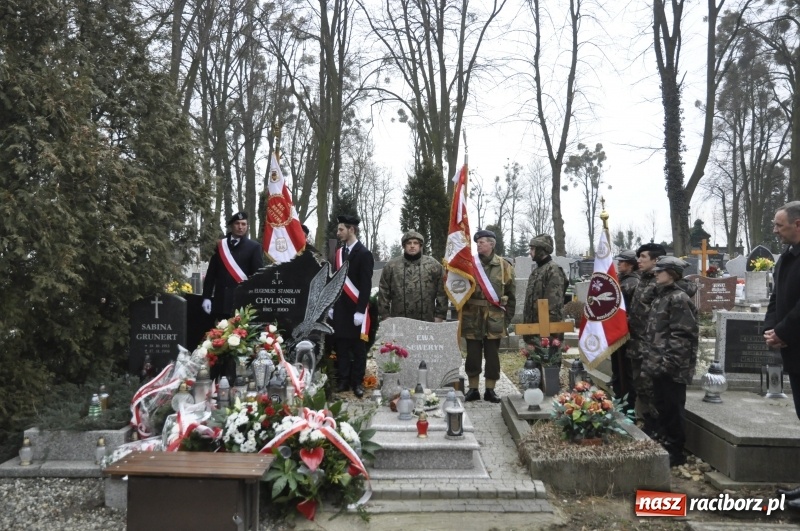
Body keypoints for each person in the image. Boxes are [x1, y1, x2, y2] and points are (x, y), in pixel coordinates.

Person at [641, 256, 698, 467]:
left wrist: (669, 363)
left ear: (672, 273)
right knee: (662, 406)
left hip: (672, 366)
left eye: (660, 270)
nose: (655, 273)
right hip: (659, 363)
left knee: (673, 409)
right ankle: (665, 443)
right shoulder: (663, 296)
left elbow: (682, 334)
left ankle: (675, 451)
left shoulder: (679, 298)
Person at [767, 202, 800, 505]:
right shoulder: (786, 258)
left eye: (780, 225)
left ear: (798, 224)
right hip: (794, 350)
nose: (775, 231)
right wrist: (770, 329)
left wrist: (783, 332)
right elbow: (776, 296)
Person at [460, 230, 515, 403]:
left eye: (483, 242)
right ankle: (473, 389)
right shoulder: (469, 264)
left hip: (494, 318)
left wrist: (507, 319)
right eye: (478, 242)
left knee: (492, 356)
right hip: (472, 316)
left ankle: (490, 390)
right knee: (472, 355)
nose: (479, 244)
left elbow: (511, 294)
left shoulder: (504, 266)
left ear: (492, 244)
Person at [331, 214, 374, 398]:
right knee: (341, 346)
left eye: (341, 229)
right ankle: (343, 381)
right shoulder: (339, 253)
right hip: (340, 308)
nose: (338, 232)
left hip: (356, 308)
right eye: (338, 229)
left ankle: (357, 382)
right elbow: (334, 281)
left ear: (352, 230)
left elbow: (365, 285)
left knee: (358, 349)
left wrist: (360, 311)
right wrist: (331, 305)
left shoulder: (364, 254)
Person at [627, 242, 666, 436]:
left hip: (651, 346)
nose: (638, 260)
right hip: (636, 343)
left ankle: (658, 426)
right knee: (640, 386)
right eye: (638, 257)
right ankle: (648, 422)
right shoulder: (642, 279)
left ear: (656, 260)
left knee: (652, 388)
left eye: (643, 257)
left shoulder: (659, 283)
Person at [201, 211, 264, 321]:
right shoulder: (221, 245)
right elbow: (211, 275)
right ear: (231, 225)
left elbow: (257, 277)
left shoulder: (254, 247)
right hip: (220, 303)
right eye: (237, 224)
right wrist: (206, 297)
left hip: (241, 303)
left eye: (243, 224)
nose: (240, 227)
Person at [377, 230, 448, 322]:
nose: (412, 246)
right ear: (404, 246)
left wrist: (440, 315)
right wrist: (385, 315)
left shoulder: (433, 265)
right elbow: (383, 291)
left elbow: (442, 291)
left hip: (427, 321)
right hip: (399, 321)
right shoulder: (392, 266)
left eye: (415, 243)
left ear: (420, 245)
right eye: (409, 243)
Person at [522, 234, 568, 344]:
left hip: (547, 333)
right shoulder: (537, 271)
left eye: (532, 249)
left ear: (541, 250)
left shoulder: (553, 270)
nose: (530, 252)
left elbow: (553, 305)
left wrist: (548, 336)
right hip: (533, 330)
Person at [610, 249, 640, 411]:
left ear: (630, 265)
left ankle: (628, 407)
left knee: (626, 373)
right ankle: (618, 399)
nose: (619, 264)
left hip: (627, 333)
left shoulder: (633, 283)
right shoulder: (619, 279)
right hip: (616, 331)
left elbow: (634, 309)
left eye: (622, 262)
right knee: (617, 370)